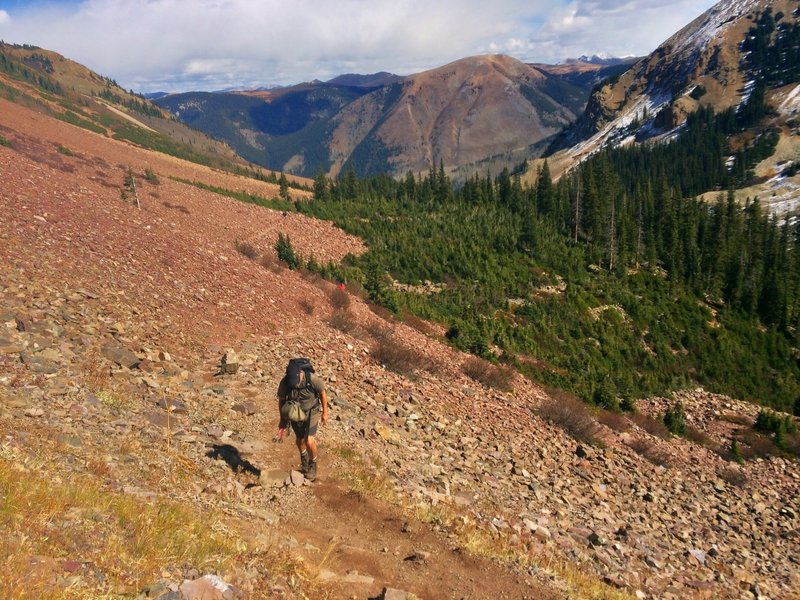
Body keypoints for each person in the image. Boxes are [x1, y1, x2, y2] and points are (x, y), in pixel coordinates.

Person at [276, 361, 328, 481]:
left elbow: (322, 393)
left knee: (309, 440)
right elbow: (281, 400)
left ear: (300, 373)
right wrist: (282, 420)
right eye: (292, 383)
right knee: (299, 441)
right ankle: (304, 458)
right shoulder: (285, 383)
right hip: (296, 412)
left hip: (312, 411)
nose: (295, 385)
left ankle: (312, 465)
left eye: (296, 381)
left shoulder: (312, 379)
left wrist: (325, 413)